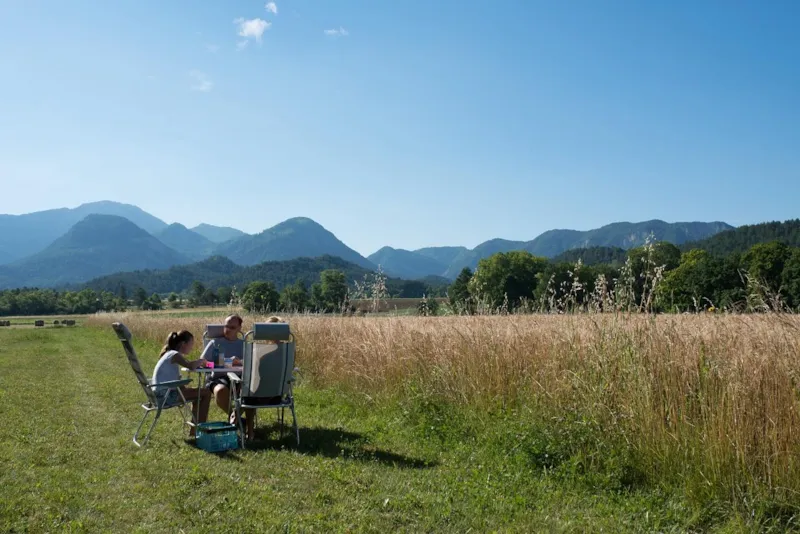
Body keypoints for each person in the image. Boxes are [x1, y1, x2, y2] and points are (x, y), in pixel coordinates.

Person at [151, 330, 210, 437]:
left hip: (159, 394)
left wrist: (187, 389)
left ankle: (194, 431)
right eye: (191, 344)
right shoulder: (174, 354)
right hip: (165, 396)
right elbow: (190, 366)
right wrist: (202, 361)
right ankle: (199, 431)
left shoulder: (169, 354)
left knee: (198, 394)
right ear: (183, 344)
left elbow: (177, 381)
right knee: (206, 393)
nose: (192, 347)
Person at [200, 314, 246, 420]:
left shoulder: (243, 344)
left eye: (232, 327)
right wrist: (216, 364)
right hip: (219, 378)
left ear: (239, 328)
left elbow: (251, 362)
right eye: (226, 326)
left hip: (241, 378)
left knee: (252, 390)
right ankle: (234, 416)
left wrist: (239, 361)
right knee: (220, 391)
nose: (228, 329)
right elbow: (202, 362)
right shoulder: (215, 343)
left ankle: (239, 419)